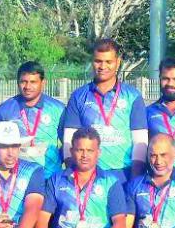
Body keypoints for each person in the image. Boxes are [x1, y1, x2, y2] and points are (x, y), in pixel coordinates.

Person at [62, 39, 148, 179]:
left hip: (123, 175)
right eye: (98, 61)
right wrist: (75, 174)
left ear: (117, 62)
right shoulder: (78, 96)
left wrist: (135, 178)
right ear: (92, 61)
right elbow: (69, 140)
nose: (103, 66)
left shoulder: (133, 96)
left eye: (108, 62)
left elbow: (140, 141)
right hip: (89, 175)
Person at [0, 61, 65, 179]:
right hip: (18, 178)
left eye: (33, 82)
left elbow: (69, 143)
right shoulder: (4, 110)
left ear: (43, 83)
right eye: (23, 81)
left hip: (49, 176)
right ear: (18, 83)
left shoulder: (58, 109)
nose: (27, 87)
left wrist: (56, 158)